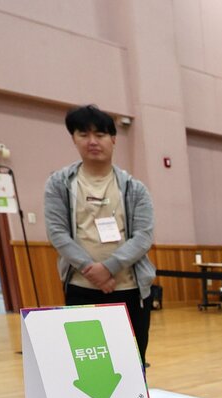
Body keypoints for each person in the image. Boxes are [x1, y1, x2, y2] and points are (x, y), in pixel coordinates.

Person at [43, 104, 156, 366]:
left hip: (130, 288)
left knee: (132, 363)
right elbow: (57, 233)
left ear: (113, 139)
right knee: (91, 366)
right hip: (82, 288)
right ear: (74, 138)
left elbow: (143, 236)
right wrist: (91, 269)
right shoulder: (59, 184)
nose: (93, 141)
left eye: (101, 135)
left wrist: (109, 267)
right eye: (84, 134)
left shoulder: (134, 188)